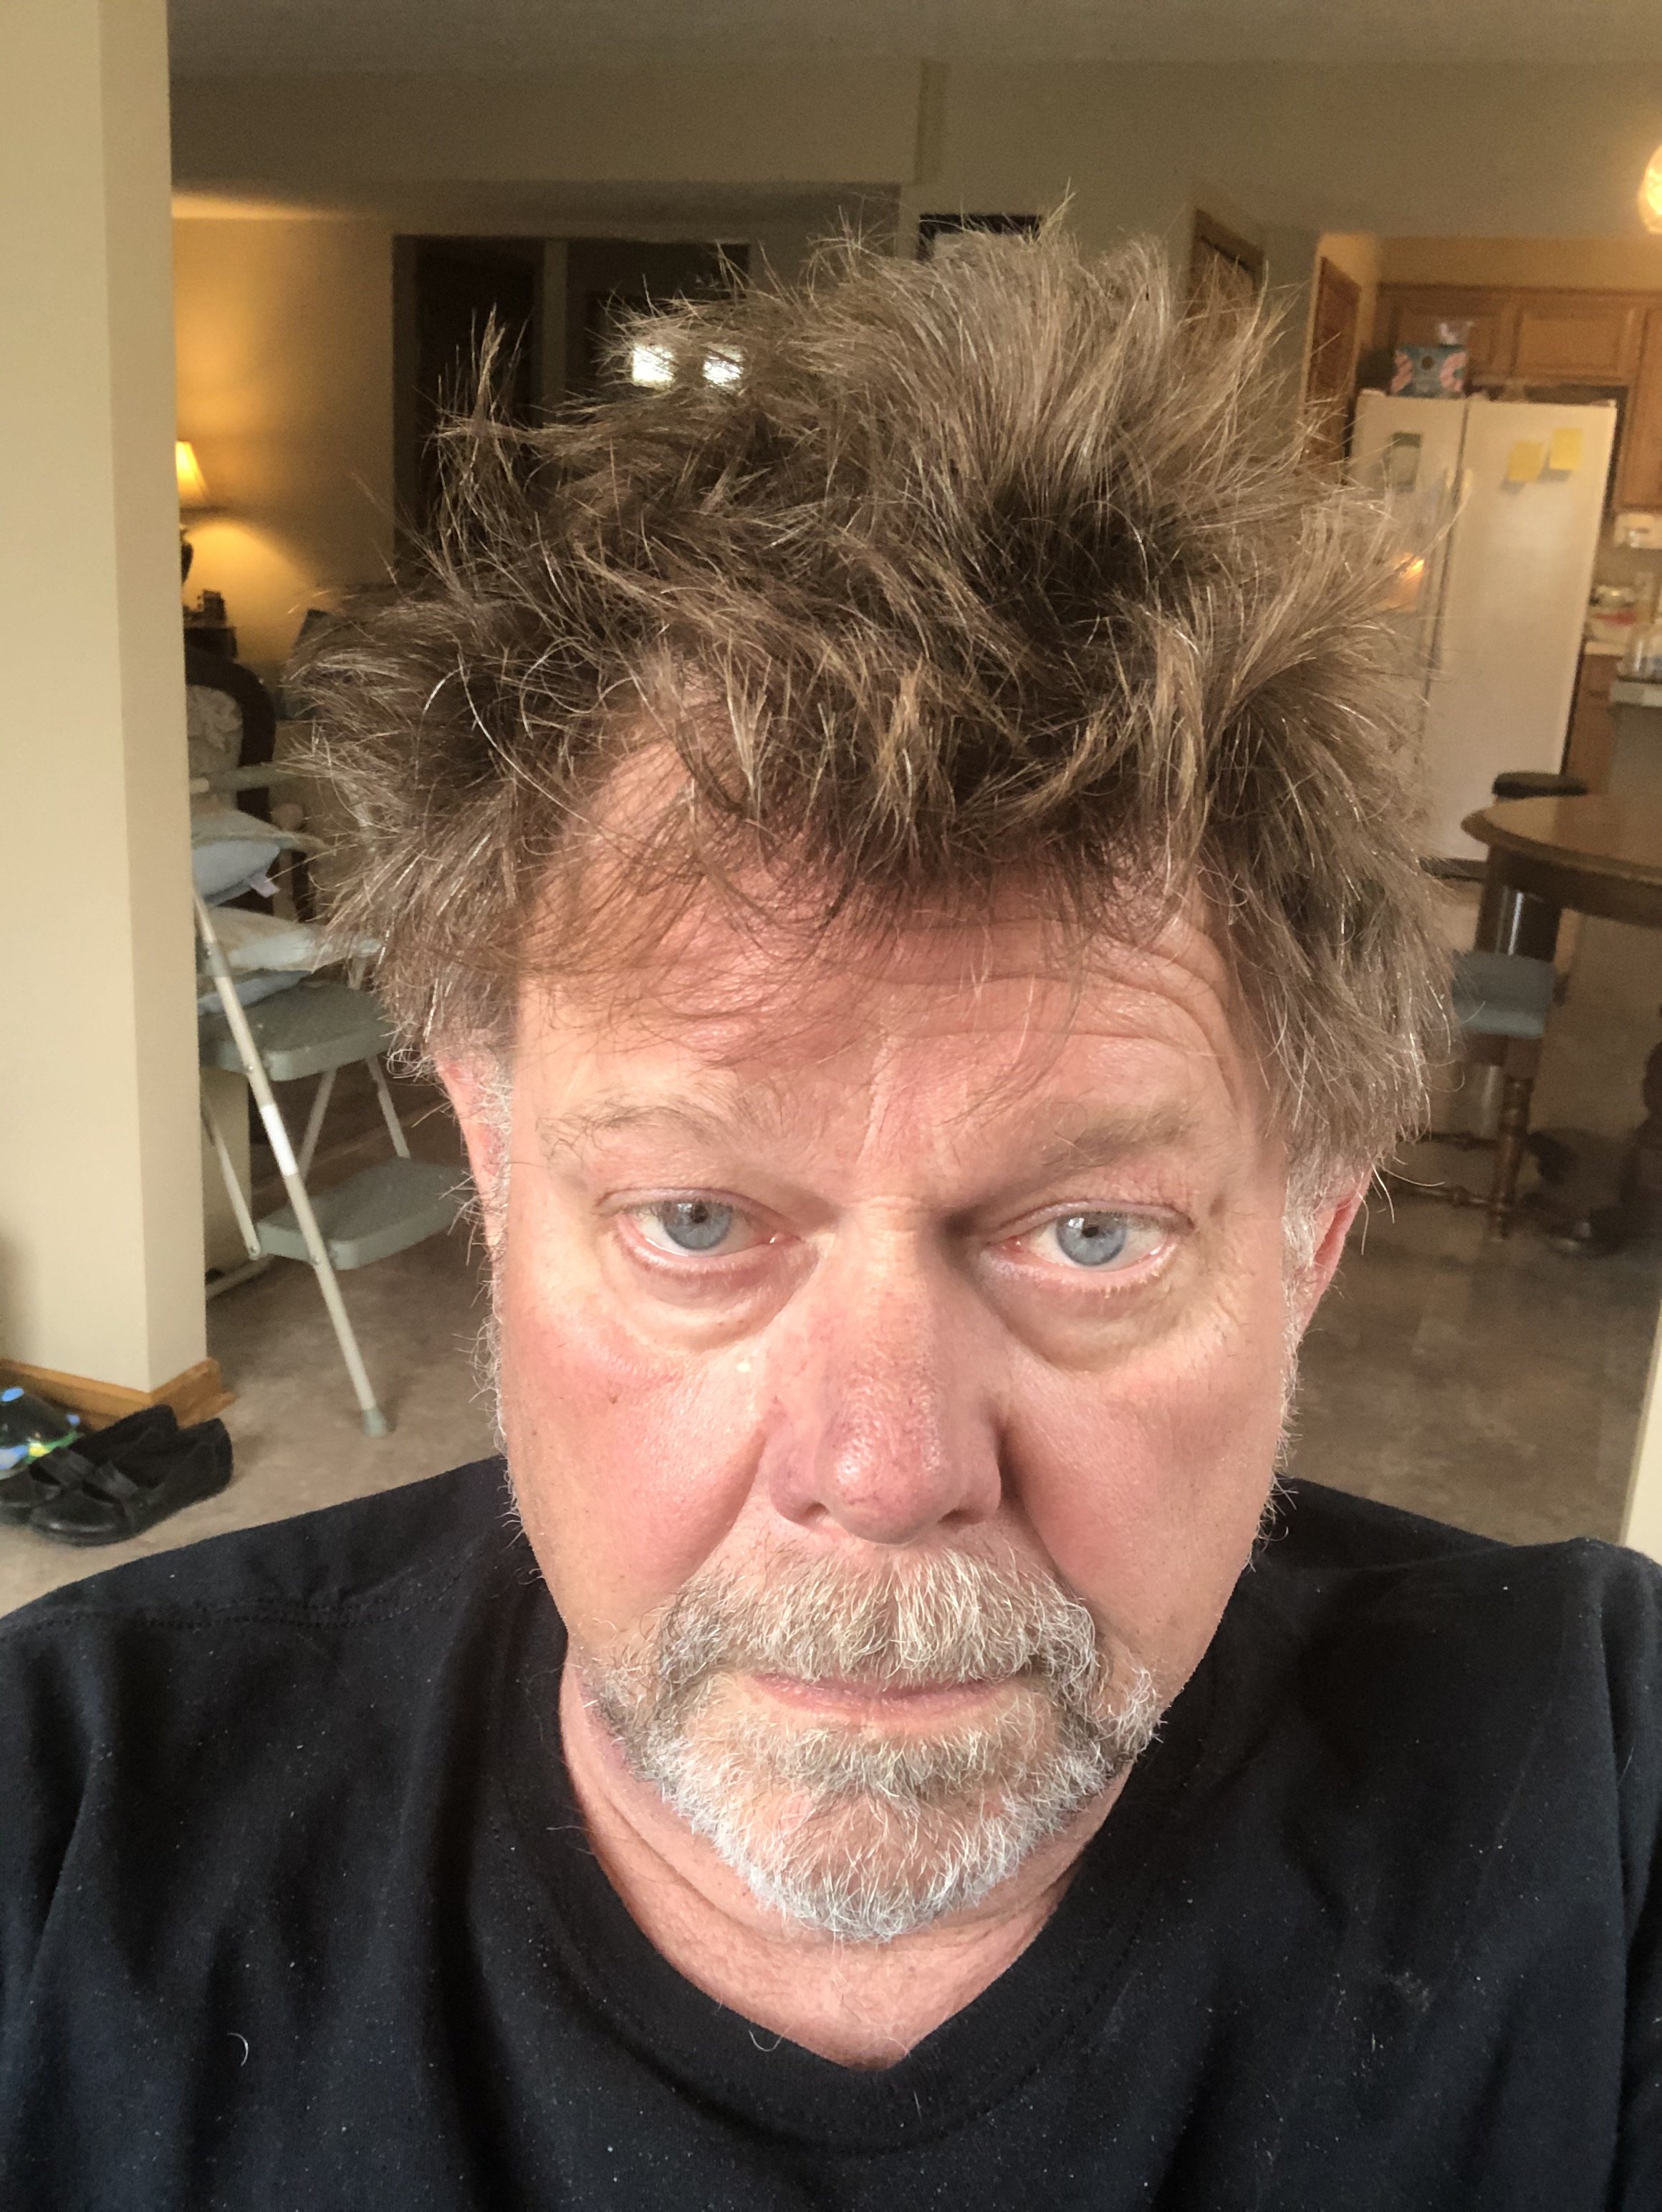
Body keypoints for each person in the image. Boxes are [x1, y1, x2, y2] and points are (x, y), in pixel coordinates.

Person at [2, 231, 1658, 2211]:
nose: (881, 1472)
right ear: (501, 1173)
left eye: (1092, 1234)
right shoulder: (64, 1827)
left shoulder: (1605, 1799)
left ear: (1310, 1236)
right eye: (700, 1216)